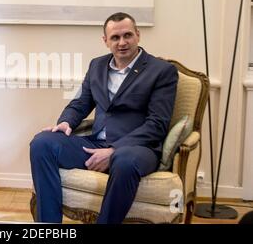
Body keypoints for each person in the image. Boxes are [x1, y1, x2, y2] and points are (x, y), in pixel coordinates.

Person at [30, 12, 178, 224]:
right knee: (42, 143)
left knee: (124, 160)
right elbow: (80, 102)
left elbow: (157, 124)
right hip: (95, 143)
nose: (122, 42)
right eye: (115, 38)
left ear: (138, 35)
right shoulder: (97, 65)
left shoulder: (161, 71)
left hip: (137, 148)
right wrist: (66, 122)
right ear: (105, 41)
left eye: (128, 35)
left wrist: (114, 150)